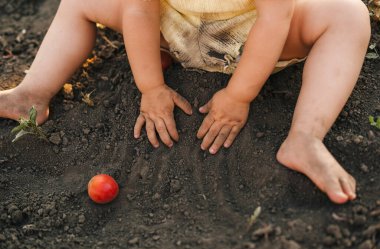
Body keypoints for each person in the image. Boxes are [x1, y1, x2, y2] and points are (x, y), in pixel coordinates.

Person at [0, 0, 371, 204]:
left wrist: (239, 95)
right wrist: (151, 87)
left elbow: (276, 18)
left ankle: (305, 136)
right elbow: (139, 7)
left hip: (249, 37)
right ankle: (32, 94)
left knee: (348, 15)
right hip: (173, 27)